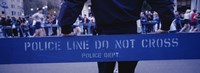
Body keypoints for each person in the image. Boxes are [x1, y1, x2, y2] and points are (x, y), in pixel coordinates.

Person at [58, 0, 175, 73]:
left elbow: (72, 2)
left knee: (105, 70)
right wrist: (166, 24)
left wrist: (65, 26)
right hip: (130, 32)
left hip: (104, 33)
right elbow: (162, 2)